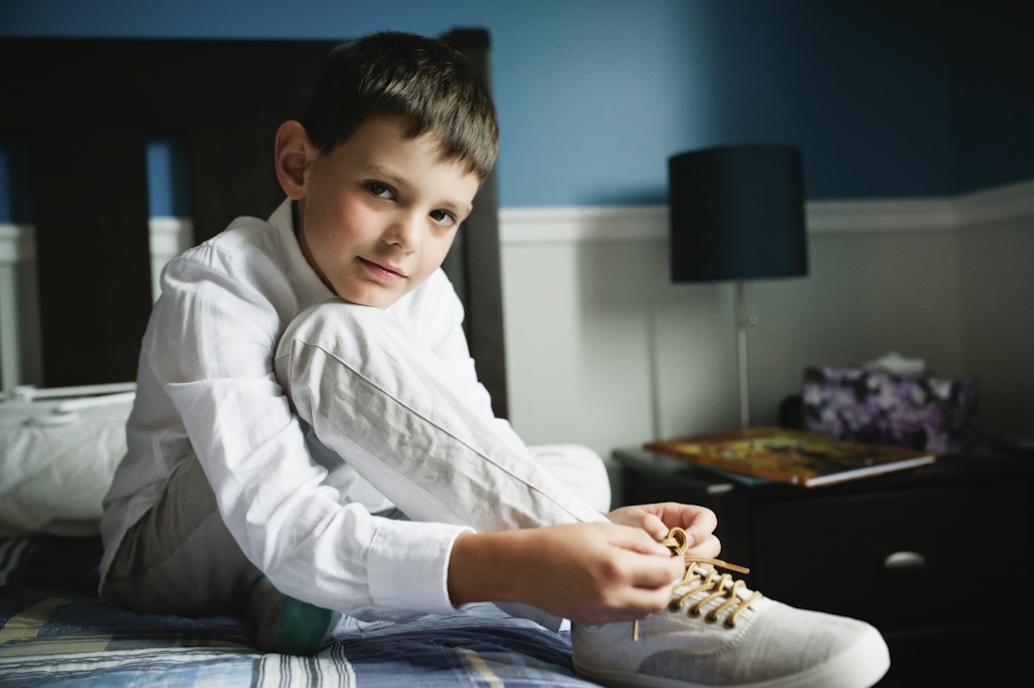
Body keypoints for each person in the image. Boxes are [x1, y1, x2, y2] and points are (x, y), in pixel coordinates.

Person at [100, 31, 889, 688]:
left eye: (442, 214)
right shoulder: (217, 285)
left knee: (573, 464)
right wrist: (520, 567)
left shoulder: (425, 292)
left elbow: (470, 450)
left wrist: (592, 532)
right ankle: (622, 618)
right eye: (382, 189)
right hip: (174, 555)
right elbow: (286, 522)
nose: (409, 239)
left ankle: (314, 598)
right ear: (299, 164)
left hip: (327, 521)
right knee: (329, 340)